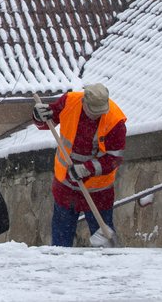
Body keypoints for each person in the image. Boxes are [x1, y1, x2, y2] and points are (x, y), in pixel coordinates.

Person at [33, 83, 127, 247]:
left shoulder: (115, 121)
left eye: (100, 112)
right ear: (84, 101)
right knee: (61, 243)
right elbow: (47, 122)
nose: (96, 116)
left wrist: (86, 169)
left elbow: (114, 159)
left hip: (98, 192)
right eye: (93, 112)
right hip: (66, 187)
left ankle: (106, 269)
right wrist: (38, 116)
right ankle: (61, 268)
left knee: (104, 245)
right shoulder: (69, 101)